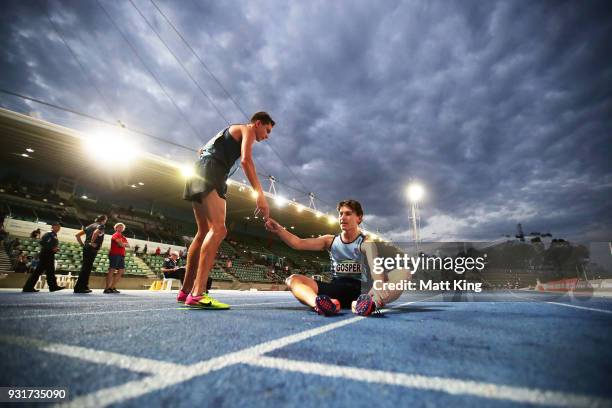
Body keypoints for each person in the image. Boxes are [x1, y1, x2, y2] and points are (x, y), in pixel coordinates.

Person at [179, 112, 275, 309]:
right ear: (258, 123)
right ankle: (197, 294)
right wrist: (260, 193)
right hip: (211, 170)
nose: (267, 136)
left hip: (200, 169)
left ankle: (185, 291)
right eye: (267, 130)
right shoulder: (247, 129)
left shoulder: (227, 132)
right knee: (219, 229)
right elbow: (246, 161)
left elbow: (202, 151)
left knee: (203, 232)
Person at [265, 199, 409, 316]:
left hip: (362, 292)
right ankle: (321, 304)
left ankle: (369, 303)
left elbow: (376, 271)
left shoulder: (366, 243)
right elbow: (298, 243)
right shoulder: (330, 240)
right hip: (335, 290)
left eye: (348, 214)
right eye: (340, 214)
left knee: (404, 272)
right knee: (293, 279)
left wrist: (379, 285)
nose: (342, 217)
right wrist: (279, 229)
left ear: (359, 218)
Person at [22, 222, 64, 292]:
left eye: (59, 227)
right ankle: (28, 287)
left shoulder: (53, 234)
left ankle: (53, 286)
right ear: (53, 226)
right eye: (57, 227)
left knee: (49, 271)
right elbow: (42, 242)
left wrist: (55, 248)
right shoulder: (49, 233)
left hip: (49, 254)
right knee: (41, 271)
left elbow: (49, 244)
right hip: (46, 254)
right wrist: (52, 248)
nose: (59, 228)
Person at [74, 215, 107, 293]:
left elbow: (77, 235)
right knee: (86, 268)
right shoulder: (101, 225)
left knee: (86, 267)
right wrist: (92, 242)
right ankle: (79, 288)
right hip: (92, 248)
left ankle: (84, 286)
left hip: (86, 247)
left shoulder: (90, 225)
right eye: (106, 220)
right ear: (104, 220)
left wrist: (83, 244)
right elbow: (95, 233)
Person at [104, 223, 129, 294]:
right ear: (116, 228)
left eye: (122, 227)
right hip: (115, 254)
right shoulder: (116, 235)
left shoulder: (123, 237)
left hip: (121, 255)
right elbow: (122, 244)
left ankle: (112, 287)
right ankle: (106, 288)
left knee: (121, 271)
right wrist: (123, 244)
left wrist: (122, 244)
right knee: (112, 270)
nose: (120, 228)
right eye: (119, 227)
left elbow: (128, 245)